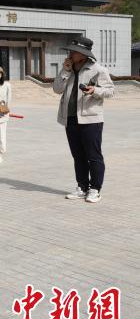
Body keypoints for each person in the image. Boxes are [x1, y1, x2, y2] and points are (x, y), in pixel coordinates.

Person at [53, 37, 114, 204]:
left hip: (91, 119)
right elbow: (57, 89)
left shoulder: (98, 70)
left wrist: (95, 91)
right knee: (78, 156)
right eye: (71, 50)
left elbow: (110, 91)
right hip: (70, 118)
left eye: (74, 51)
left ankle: (95, 189)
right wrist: (65, 71)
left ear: (84, 54)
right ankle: (82, 187)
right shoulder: (68, 69)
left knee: (93, 156)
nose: (71, 53)